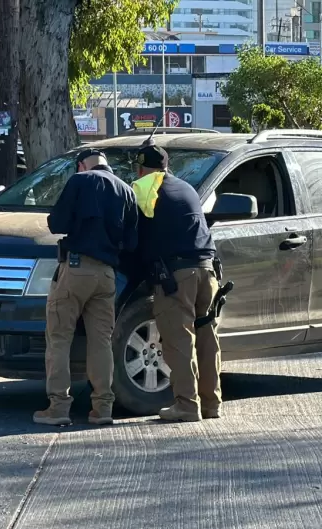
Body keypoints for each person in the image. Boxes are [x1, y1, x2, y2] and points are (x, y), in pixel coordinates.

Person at [35, 148, 139, 427]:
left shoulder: (80, 181)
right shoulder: (127, 191)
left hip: (76, 269)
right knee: (101, 341)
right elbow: (131, 242)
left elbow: (57, 223)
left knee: (59, 338)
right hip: (107, 275)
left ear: (81, 165)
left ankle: (58, 407)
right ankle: (102, 409)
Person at [131, 143, 222, 422]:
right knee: (207, 338)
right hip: (208, 271)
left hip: (177, 275)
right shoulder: (186, 188)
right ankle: (211, 404)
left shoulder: (145, 188)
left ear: (140, 168)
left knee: (179, 340)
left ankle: (186, 404)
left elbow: (135, 235)